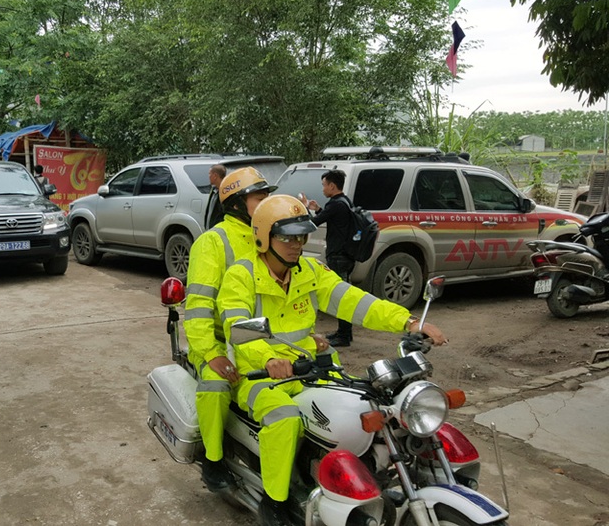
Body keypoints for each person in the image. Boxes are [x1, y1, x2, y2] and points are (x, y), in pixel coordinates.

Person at [217, 195, 447, 526]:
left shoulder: (309, 271)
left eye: (301, 236)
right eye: (287, 237)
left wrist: (408, 322)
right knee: (284, 420)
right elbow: (236, 325)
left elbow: (355, 301)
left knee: (364, 409)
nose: (297, 244)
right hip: (258, 376)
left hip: (310, 369)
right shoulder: (242, 275)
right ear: (264, 236)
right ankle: (276, 501)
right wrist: (268, 358)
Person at [183, 166, 276, 491]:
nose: (266, 203)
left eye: (267, 196)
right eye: (259, 197)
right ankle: (213, 459)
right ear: (237, 202)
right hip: (219, 340)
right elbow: (198, 306)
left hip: (260, 336)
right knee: (216, 387)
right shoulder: (213, 242)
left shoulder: (267, 236)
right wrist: (211, 354)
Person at [300, 170, 356, 347]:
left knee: (341, 296)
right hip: (345, 254)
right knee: (342, 294)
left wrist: (305, 207)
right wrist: (318, 209)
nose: (323, 189)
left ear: (332, 185)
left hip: (339, 256)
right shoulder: (343, 201)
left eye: (324, 185)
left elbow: (311, 224)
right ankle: (343, 332)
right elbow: (333, 219)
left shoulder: (336, 204)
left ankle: (344, 336)